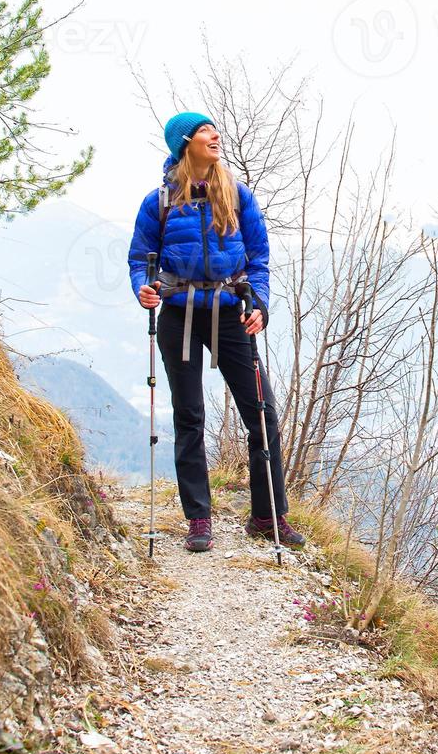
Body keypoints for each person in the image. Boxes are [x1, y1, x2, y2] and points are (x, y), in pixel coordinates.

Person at [126, 111, 305, 553]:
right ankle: (199, 519)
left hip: (230, 313)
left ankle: (266, 516)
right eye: (206, 131)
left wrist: (258, 303)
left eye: (215, 130)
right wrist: (144, 290)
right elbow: (139, 258)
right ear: (185, 142)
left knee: (261, 412)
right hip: (179, 315)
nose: (215, 135)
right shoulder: (160, 201)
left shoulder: (238, 194)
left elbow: (259, 258)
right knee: (190, 416)